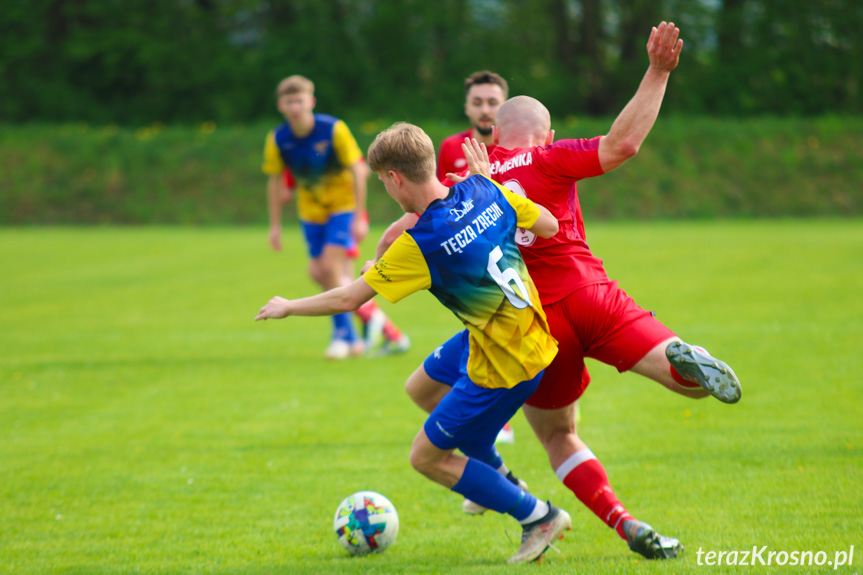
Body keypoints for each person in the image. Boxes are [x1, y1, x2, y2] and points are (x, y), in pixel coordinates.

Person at [374, 22, 741, 560]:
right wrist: (659, 71)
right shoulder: (551, 157)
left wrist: (378, 260)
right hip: (590, 293)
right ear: (546, 136)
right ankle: (690, 359)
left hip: (533, 324)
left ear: (493, 138)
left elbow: (409, 223)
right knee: (688, 385)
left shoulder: (477, 179)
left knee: (557, 437)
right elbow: (624, 144)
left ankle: (618, 520)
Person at [256, 123, 572, 564]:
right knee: (421, 389)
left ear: (394, 178)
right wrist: (494, 194)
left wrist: (289, 305)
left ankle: (537, 515)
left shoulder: (420, 243)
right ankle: (496, 479)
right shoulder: (485, 189)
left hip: (509, 362)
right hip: (507, 334)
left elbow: (350, 297)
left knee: (426, 457)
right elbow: (551, 225)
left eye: (384, 182)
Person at [262, 75, 409, 359]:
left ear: (311, 102)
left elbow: (358, 169)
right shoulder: (278, 138)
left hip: (343, 208)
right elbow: (275, 181)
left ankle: (344, 336)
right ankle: (386, 330)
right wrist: (275, 225)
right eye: (289, 101)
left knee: (329, 267)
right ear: (281, 105)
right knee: (320, 273)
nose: (295, 107)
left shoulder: (332, 129)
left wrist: (359, 216)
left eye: (299, 100)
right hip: (311, 214)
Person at [436, 70, 508, 180]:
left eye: (492, 103)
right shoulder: (450, 146)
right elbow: (442, 195)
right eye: (477, 103)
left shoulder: (517, 148)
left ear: (505, 107)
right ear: (467, 108)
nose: (485, 110)